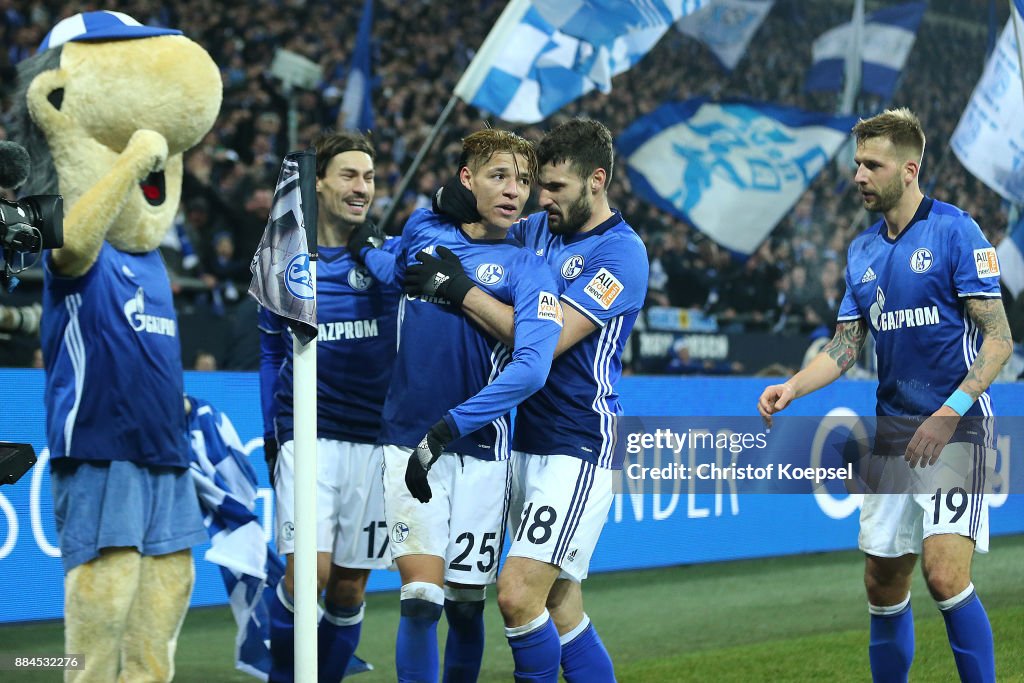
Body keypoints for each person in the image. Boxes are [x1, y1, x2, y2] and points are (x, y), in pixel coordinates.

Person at [757, 108, 1009, 683]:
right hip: (893, 432)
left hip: (956, 429)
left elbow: (999, 341)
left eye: (872, 164)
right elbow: (847, 346)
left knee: (945, 577)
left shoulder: (956, 231)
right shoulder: (862, 252)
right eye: (857, 164)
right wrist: (792, 387)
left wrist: (950, 414)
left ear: (910, 169)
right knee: (882, 582)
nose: (859, 176)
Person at [425, 118, 649, 681]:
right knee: (562, 608)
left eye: (556, 188)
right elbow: (469, 238)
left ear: (596, 181)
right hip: (519, 442)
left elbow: (542, 346)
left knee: (518, 594)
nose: (539, 198)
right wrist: (446, 203)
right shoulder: (536, 231)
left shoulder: (621, 255)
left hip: (575, 445)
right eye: (537, 185)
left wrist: (461, 290)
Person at [366, 128, 561, 682]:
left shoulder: (530, 268)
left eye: (523, 181)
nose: (513, 191)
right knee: (421, 598)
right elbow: (394, 260)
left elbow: (532, 368)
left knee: (466, 604)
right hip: (406, 438)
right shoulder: (424, 229)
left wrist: (448, 429)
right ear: (467, 179)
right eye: (499, 176)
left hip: (478, 452)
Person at [258, 131, 401, 683]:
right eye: (349, 175)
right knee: (307, 577)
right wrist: (274, 432)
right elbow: (271, 349)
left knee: (348, 586)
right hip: (308, 433)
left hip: (373, 440)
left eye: (368, 177)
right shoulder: (283, 257)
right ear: (319, 183)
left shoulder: (387, 258)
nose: (361, 187)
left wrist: (375, 251)